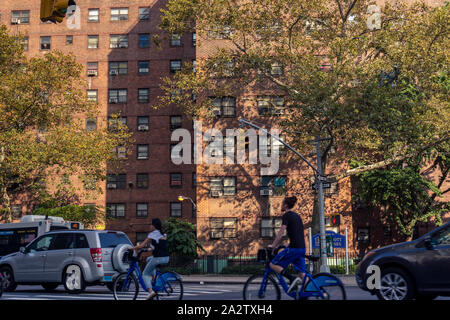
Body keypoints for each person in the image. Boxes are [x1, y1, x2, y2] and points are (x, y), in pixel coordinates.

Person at [268, 196, 306, 293]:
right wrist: (288, 244)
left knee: (273, 264)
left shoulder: (287, 215)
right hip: (301, 248)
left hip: (294, 249)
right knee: (302, 274)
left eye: (282, 203)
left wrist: (273, 245)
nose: (281, 205)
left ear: (285, 205)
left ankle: (291, 278)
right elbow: (297, 233)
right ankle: (316, 292)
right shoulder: (297, 216)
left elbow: (281, 233)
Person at [131, 218, 169, 300]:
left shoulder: (152, 234)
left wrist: (132, 248)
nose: (150, 226)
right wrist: (150, 249)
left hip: (158, 258)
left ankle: (151, 292)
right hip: (166, 258)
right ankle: (155, 278)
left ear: (154, 225)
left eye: (151, 224)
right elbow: (159, 246)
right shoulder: (164, 234)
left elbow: (141, 246)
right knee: (148, 259)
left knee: (145, 273)